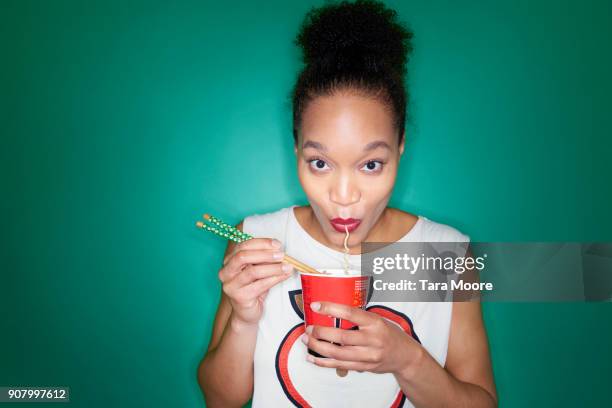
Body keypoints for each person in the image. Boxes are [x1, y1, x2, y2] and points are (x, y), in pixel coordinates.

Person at [197, 1, 497, 406]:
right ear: (296, 149)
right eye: (319, 163)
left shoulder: (447, 255)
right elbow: (221, 401)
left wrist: (407, 360)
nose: (343, 196)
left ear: (401, 146)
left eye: (371, 164)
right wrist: (243, 321)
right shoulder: (257, 240)